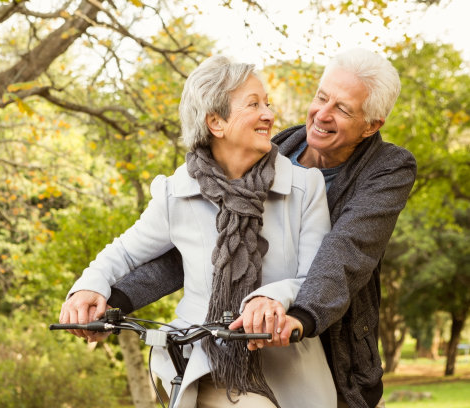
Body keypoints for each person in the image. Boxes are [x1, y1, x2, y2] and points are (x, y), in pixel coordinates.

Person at [97, 48, 418, 408]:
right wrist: (112, 297)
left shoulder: (388, 168)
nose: (322, 115)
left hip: (330, 344)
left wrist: (297, 316)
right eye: (321, 97)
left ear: (372, 125)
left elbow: (347, 251)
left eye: (342, 109)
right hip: (251, 348)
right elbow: (201, 248)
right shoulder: (271, 151)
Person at [60, 55, 337, 408]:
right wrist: (87, 288)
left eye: (267, 103)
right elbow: (126, 252)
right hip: (203, 361)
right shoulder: (178, 191)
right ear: (216, 122)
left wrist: (272, 298)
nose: (269, 114)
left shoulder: (304, 187)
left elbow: (316, 276)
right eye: (254, 104)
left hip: (289, 366)